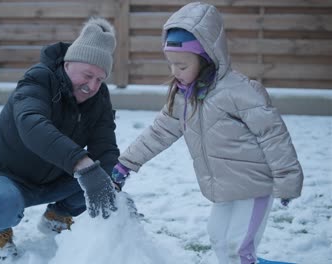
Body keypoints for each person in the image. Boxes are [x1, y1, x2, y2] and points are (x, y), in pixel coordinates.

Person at [110, 3, 304, 264]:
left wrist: (287, 180)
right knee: (217, 238)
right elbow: (158, 133)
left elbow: (273, 135)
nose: (174, 73)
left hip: (255, 185)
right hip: (223, 188)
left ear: (207, 59)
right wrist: (126, 163)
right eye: (171, 65)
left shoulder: (241, 91)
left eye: (181, 65)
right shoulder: (183, 98)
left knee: (238, 247)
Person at [0, 17, 119, 260]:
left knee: (102, 176)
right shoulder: (39, 79)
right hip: (5, 175)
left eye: (100, 79)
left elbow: (105, 146)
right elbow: (32, 125)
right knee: (2, 201)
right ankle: (1, 232)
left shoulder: (99, 98)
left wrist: (114, 185)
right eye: (88, 74)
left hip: (56, 176)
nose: (92, 85)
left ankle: (58, 216)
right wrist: (81, 163)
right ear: (68, 63)